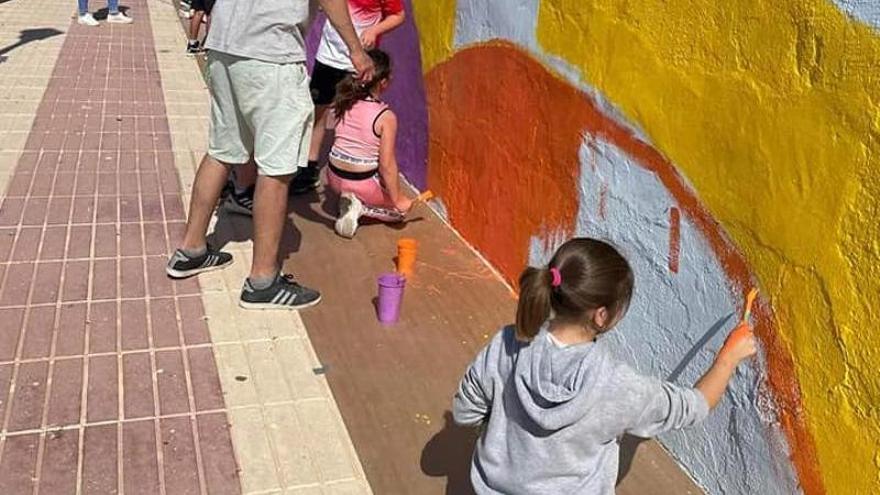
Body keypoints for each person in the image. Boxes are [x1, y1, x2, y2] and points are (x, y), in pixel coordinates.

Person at [453, 238, 758, 494]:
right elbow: (694, 407)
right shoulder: (619, 385)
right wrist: (728, 358)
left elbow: (466, 412)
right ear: (601, 316)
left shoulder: (507, 343)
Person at [165, 0, 375, 311]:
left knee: (222, 151)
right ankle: (262, 281)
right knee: (276, 169)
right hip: (270, 53)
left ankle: (191, 249)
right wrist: (356, 51)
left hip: (224, 45)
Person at [290, 0, 405, 195]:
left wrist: (375, 30)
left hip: (360, 63)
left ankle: (363, 167)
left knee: (358, 115)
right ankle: (309, 167)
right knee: (318, 110)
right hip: (327, 56)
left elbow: (398, 15)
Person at [326, 49, 412, 238]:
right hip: (361, 182)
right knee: (401, 212)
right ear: (384, 82)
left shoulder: (344, 100)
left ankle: (349, 198)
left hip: (333, 177)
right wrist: (398, 199)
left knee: (371, 177)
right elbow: (387, 164)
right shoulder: (385, 117)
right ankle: (360, 208)